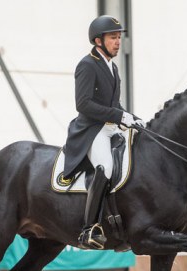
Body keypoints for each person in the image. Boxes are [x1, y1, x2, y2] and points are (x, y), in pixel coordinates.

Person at [63, 15, 145, 249]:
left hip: (111, 128)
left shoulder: (113, 67)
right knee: (106, 167)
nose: (118, 42)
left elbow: (113, 105)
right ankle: (89, 229)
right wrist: (120, 116)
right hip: (91, 130)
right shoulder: (87, 65)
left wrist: (134, 119)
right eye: (113, 37)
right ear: (98, 40)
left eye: (119, 37)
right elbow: (84, 104)